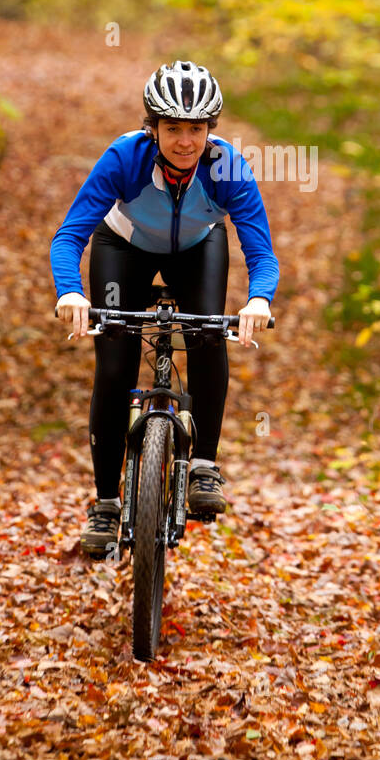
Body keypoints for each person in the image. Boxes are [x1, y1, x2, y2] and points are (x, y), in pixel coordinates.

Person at [51, 60, 279, 556]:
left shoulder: (227, 168)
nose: (184, 141)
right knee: (114, 365)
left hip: (198, 249)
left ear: (209, 130)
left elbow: (261, 253)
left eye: (195, 129)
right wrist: (70, 291)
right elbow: (70, 236)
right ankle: (107, 504)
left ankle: (203, 468)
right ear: (151, 127)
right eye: (173, 128)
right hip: (123, 248)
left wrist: (259, 299)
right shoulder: (124, 158)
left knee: (207, 334)